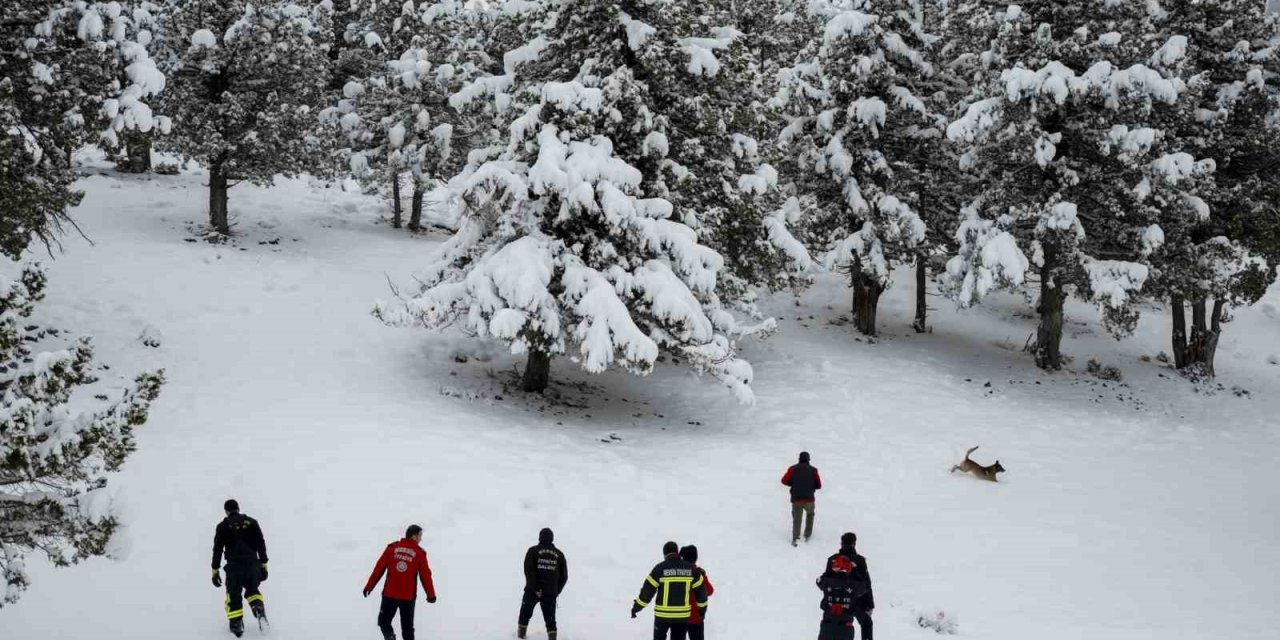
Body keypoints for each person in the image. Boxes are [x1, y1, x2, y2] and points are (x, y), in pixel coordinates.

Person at [364, 525, 437, 640]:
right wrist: (431, 595)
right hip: (408, 598)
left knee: (384, 622)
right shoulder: (419, 553)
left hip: (389, 595)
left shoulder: (392, 548)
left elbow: (378, 569)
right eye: (420, 536)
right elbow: (426, 576)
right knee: (407, 630)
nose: (421, 539)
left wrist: (369, 586)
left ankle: (390, 637)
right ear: (414, 536)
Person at [211, 499, 270, 638]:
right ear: (238, 508)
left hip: (234, 567)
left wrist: (215, 570)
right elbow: (261, 544)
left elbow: (217, 550)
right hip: (252, 565)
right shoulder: (252, 522)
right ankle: (258, 608)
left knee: (233, 596)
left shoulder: (222, 527)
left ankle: (237, 627)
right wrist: (263, 564)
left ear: (226, 511)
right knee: (252, 590)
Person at [631, 541, 709, 640]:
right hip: (682, 616)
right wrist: (702, 610)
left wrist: (636, 608)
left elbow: (647, 593)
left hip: (662, 617)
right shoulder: (690, 569)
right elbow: (702, 593)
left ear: (664, 554)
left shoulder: (659, 568)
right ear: (677, 552)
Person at [817, 532, 874, 640]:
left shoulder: (832, 559)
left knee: (832, 622)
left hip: (834, 600)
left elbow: (825, 578)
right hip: (856, 599)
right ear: (854, 544)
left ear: (841, 543)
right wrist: (869, 604)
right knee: (866, 623)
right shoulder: (860, 560)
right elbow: (866, 584)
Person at [518, 527, 568, 639]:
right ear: (552, 539)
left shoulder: (532, 551)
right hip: (550, 593)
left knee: (525, 614)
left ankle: (520, 637)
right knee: (550, 621)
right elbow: (564, 577)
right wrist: (556, 591)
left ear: (540, 537)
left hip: (532, 591)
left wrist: (536, 588)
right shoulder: (560, 555)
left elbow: (528, 571)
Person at [781, 451, 823, 546]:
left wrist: (793, 484)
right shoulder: (814, 470)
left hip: (796, 499)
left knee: (797, 519)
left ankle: (795, 537)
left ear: (799, 459)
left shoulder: (793, 469)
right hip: (809, 499)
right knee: (810, 515)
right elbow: (819, 485)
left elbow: (783, 480)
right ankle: (807, 535)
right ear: (809, 460)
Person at [679, 545, 714, 640]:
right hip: (695, 617)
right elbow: (710, 591)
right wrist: (704, 576)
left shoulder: (677, 573)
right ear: (695, 558)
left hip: (678, 616)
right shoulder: (699, 573)